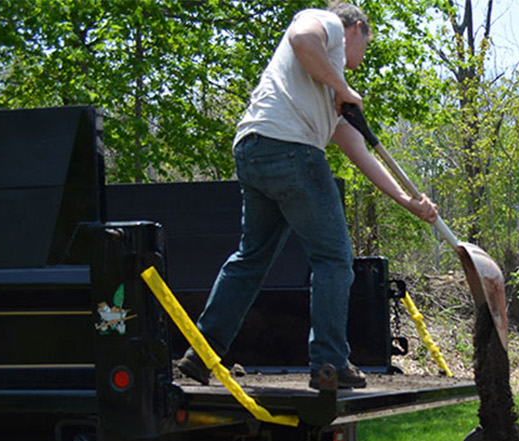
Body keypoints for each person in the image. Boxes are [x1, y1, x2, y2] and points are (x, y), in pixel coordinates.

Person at [177, 1, 437, 390]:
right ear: (356, 29)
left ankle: (200, 356)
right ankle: (330, 363)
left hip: (253, 150)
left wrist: (407, 201)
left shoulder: (319, 87)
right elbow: (301, 37)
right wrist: (343, 87)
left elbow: (360, 152)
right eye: (365, 47)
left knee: (251, 259)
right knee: (333, 259)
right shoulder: (326, 24)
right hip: (291, 151)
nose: (360, 62)